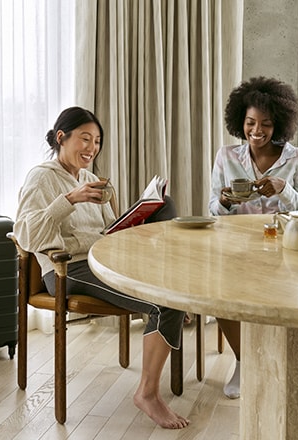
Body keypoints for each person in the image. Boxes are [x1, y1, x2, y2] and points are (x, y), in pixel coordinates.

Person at [14, 106, 189, 429]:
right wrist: (70, 199)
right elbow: (26, 234)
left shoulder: (91, 179)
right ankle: (147, 394)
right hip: (67, 270)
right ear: (61, 137)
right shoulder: (41, 177)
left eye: (97, 141)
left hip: (103, 262)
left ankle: (175, 307)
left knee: (167, 211)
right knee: (165, 304)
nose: (92, 148)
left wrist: (132, 219)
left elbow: (108, 232)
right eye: (85, 139)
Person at [209, 77, 298, 399]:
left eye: (266, 124)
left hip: (285, 246)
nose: (257, 131)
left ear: (279, 124)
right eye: (250, 123)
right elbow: (213, 208)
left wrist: (284, 190)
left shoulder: (297, 159)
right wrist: (227, 201)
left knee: (288, 299)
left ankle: (283, 363)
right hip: (236, 246)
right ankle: (243, 361)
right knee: (219, 295)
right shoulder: (226, 156)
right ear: (239, 121)